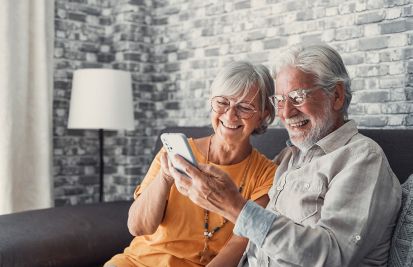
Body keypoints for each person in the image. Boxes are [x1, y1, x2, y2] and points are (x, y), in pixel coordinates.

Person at [168, 43, 402, 266]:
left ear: (337, 96)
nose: (286, 112)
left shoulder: (362, 158)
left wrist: (235, 206)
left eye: (298, 97)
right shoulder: (287, 158)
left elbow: (331, 256)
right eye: (280, 100)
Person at [105, 61, 278, 267]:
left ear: (263, 115)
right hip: (136, 262)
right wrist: (165, 178)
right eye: (222, 102)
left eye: (244, 107)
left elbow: (239, 243)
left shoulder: (267, 174)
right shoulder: (173, 152)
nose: (230, 115)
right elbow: (138, 227)